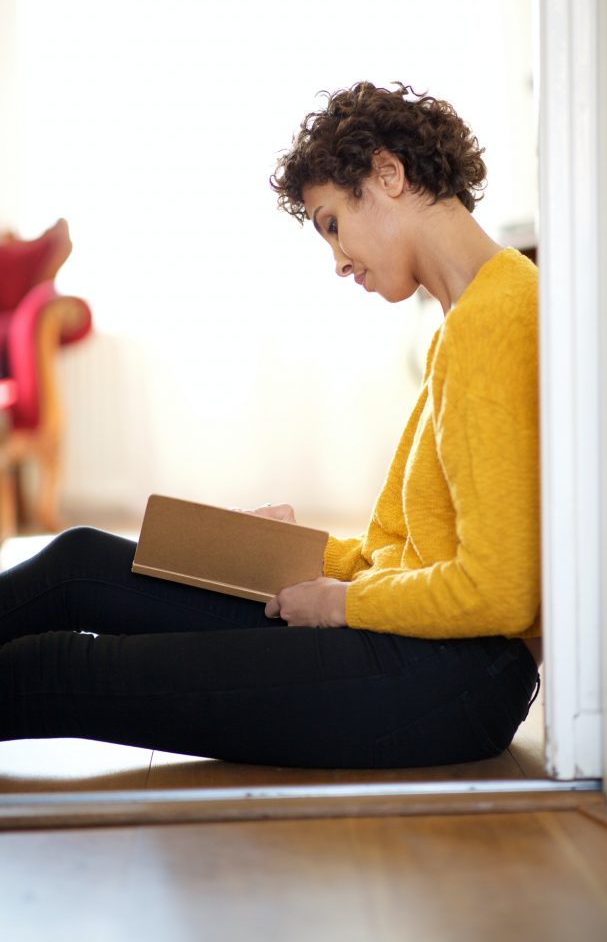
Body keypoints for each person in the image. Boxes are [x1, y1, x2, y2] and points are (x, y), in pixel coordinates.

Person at [0, 82, 541, 769]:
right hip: (424, 642)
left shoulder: (495, 318)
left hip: (450, 677)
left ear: (390, 175)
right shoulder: (468, 319)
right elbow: (411, 550)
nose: (339, 262)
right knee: (78, 561)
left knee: (61, 671)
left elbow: (499, 590)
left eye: (333, 224)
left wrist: (340, 603)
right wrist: (303, 554)